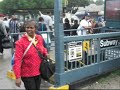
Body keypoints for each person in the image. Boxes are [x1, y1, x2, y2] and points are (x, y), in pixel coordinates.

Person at [13, 19, 50, 89]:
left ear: (35, 28)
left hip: (39, 71)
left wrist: (46, 53)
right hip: (27, 74)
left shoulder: (39, 38)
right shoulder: (20, 43)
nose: (29, 29)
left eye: (31, 27)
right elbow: (17, 60)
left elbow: (43, 48)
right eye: (27, 27)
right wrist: (17, 77)